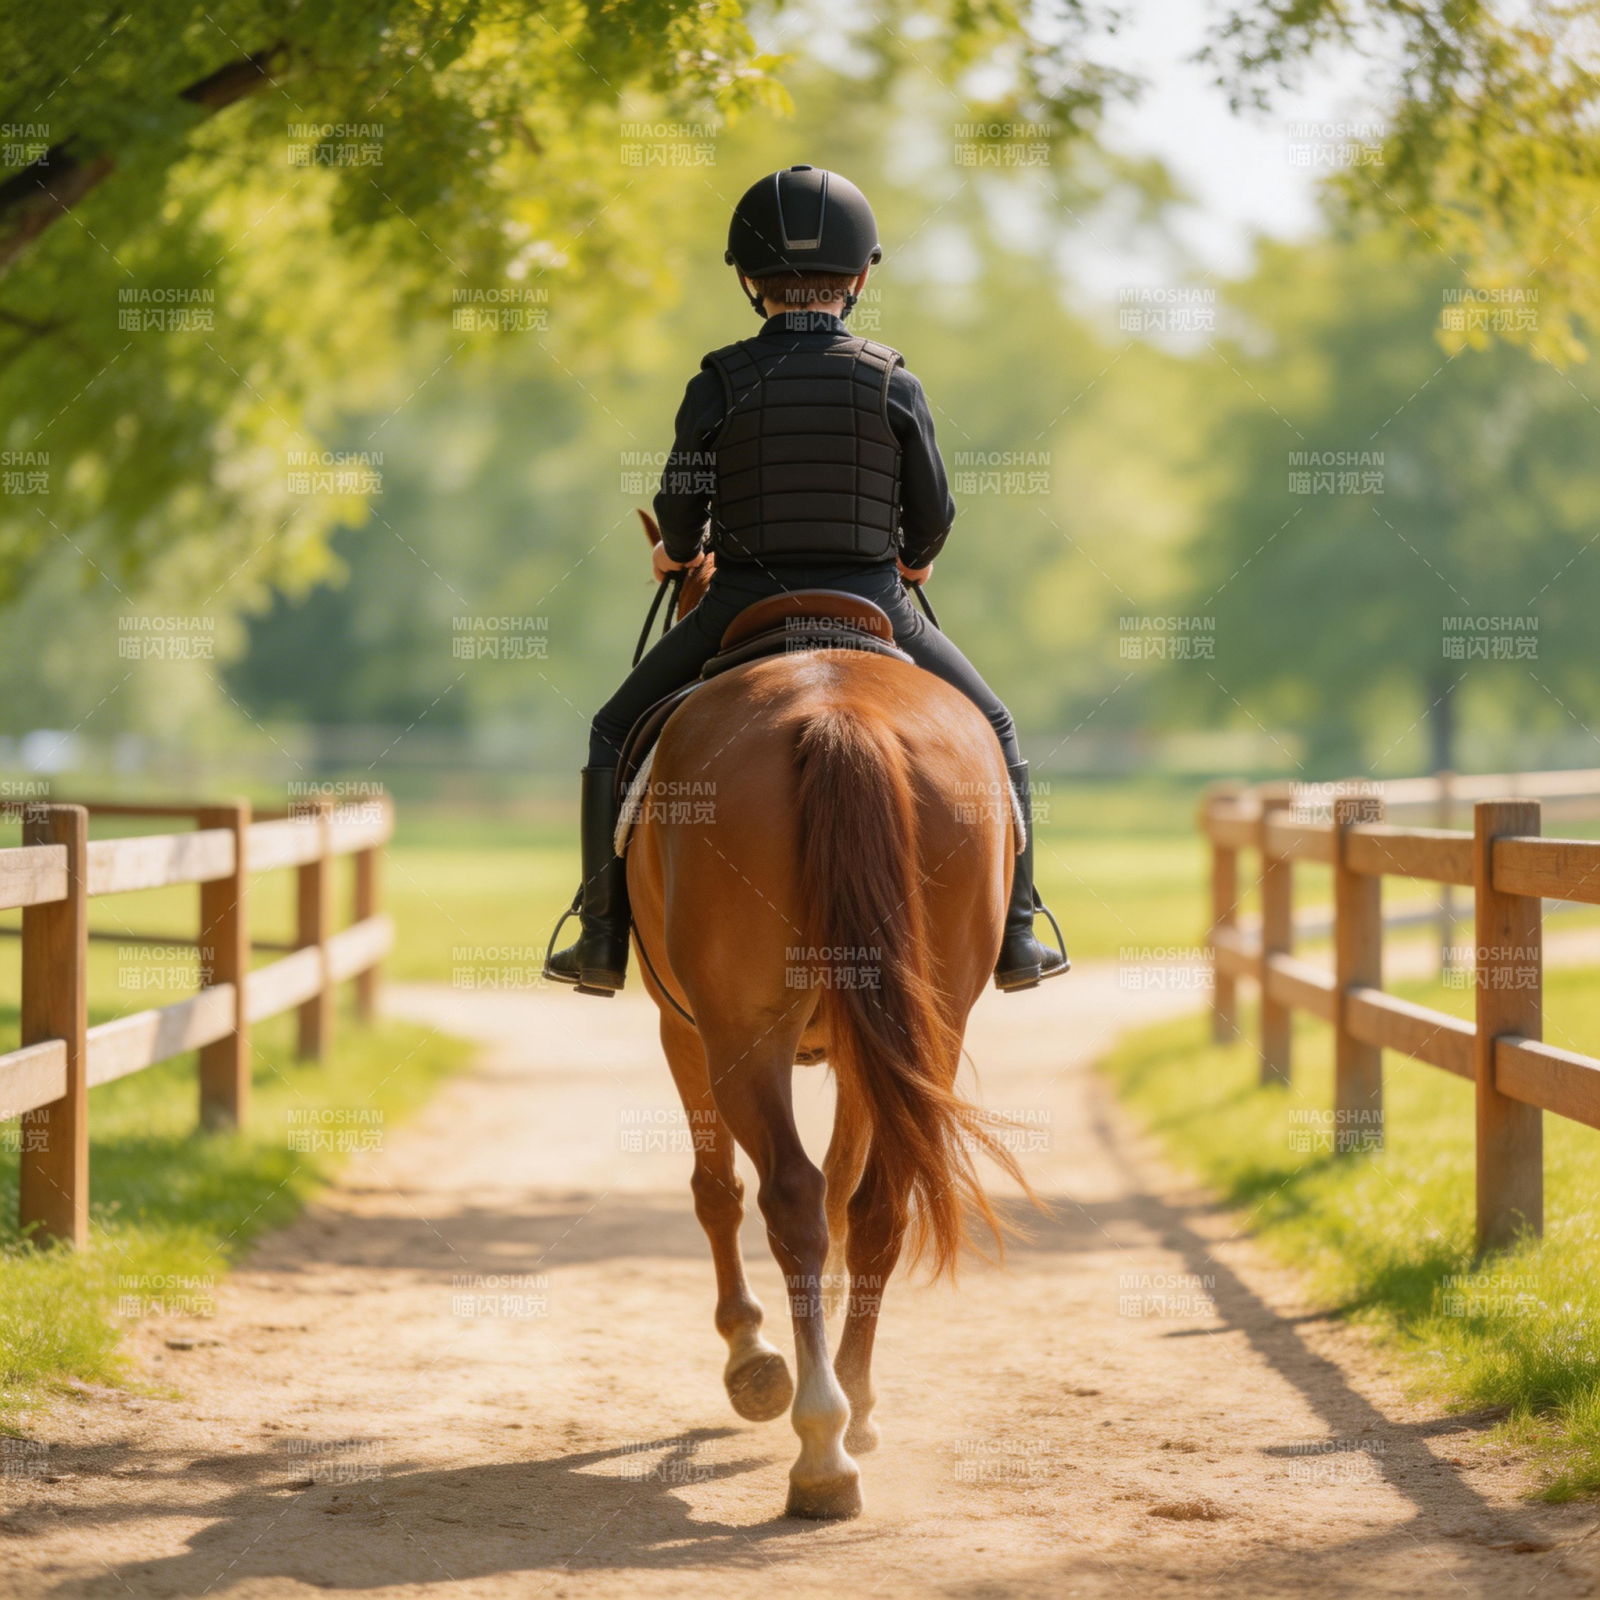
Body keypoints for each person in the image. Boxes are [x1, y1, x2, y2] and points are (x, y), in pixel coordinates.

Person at [545, 165, 1069, 996]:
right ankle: (1016, 933)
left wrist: (675, 554)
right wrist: (915, 558)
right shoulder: (893, 377)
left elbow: (679, 503)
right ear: (861, 277)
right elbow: (932, 512)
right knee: (996, 728)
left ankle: (601, 938)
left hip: (739, 602)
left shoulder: (719, 378)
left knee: (612, 729)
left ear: (750, 281)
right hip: (879, 604)